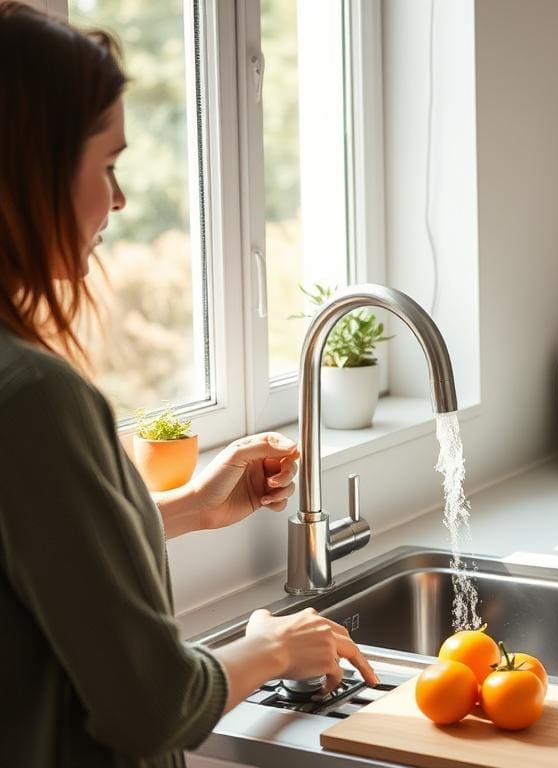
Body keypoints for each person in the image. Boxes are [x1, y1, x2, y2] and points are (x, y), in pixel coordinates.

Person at [0, 3, 377, 766]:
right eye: (107, 166)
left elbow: (34, 556)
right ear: (30, 171)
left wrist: (185, 509)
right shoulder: (32, 395)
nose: (120, 199)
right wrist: (269, 647)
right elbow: (155, 707)